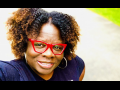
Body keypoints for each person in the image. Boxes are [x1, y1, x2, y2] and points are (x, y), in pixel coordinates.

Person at [0, 8, 85, 81]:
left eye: (57, 47)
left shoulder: (75, 64)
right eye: (39, 45)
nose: (49, 54)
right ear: (24, 44)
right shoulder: (9, 73)